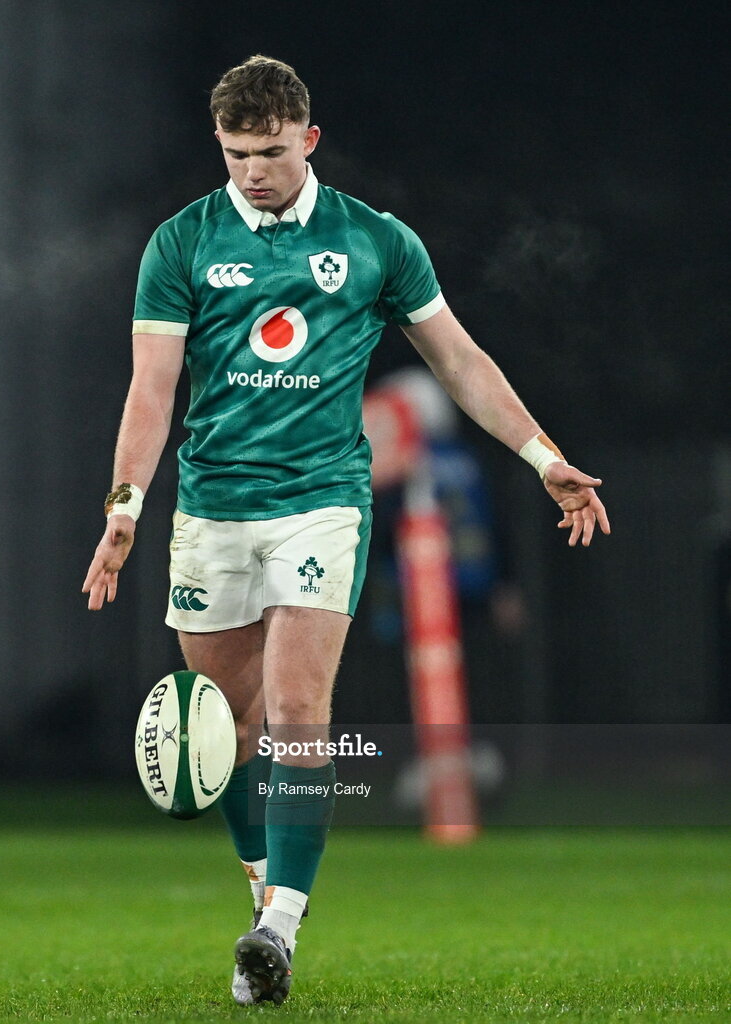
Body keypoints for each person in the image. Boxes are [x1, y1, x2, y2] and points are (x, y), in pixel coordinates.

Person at [82, 55, 610, 1005]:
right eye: (238, 153)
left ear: (308, 140)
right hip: (211, 509)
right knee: (225, 728)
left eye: (272, 152)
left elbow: (458, 360)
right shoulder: (180, 244)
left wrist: (542, 458)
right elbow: (150, 391)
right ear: (220, 144)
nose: (253, 170)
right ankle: (263, 913)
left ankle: (281, 922)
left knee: (294, 709)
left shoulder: (374, 241)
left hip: (321, 503)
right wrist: (124, 509)